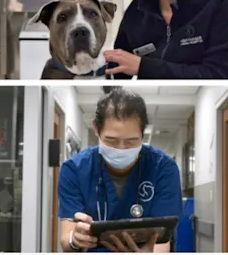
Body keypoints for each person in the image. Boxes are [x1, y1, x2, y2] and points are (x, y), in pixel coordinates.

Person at [58, 87, 182, 253]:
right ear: (96, 129)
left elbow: (160, 239)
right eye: (111, 141)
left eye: (131, 141)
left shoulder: (163, 168)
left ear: (142, 133)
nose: (122, 149)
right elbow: (66, 238)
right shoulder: (74, 170)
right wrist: (75, 239)